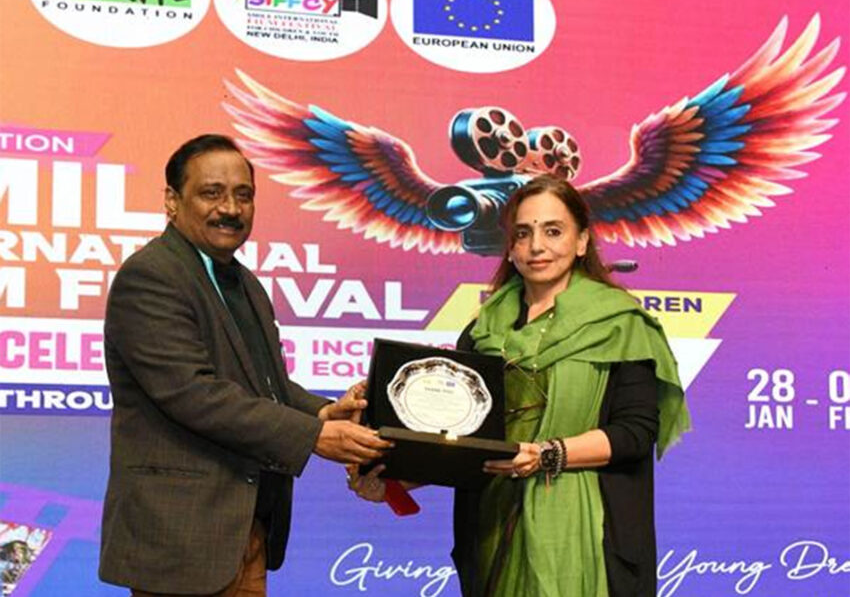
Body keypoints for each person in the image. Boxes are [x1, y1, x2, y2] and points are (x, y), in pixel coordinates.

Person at [350, 175, 690, 597]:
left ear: (582, 241)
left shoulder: (622, 324)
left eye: (553, 231)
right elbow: (469, 444)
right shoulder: (482, 331)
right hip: (494, 532)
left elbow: (635, 433)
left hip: (591, 537)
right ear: (510, 247)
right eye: (523, 233)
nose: (536, 246)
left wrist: (547, 455)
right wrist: (392, 480)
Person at [99, 134, 391, 596]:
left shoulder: (243, 282)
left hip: (246, 529)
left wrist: (323, 410)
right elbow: (195, 395)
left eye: (243, 195)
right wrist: (313, 436)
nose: (230, 209)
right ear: (172, 201)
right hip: (183, 539)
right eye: (211, 193)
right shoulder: (151, 276)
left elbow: (265, 382)